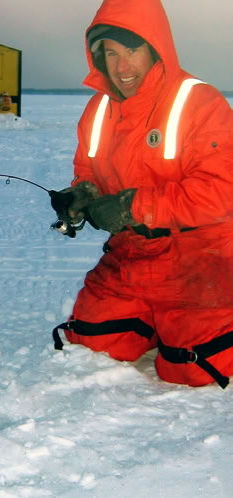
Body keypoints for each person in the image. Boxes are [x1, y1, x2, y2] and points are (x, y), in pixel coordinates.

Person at [49, 0, 233, 388]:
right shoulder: (98, 110)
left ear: (155, 46)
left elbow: (218, 194)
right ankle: (158, 322)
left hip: (199, 259)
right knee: (91, 344)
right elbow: (89, 170)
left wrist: (132, 207)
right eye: (110, 54)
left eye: (131, 50)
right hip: (130, 259)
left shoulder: (200, 103)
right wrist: (81, 194)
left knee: (193, 369)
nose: (122, 67)